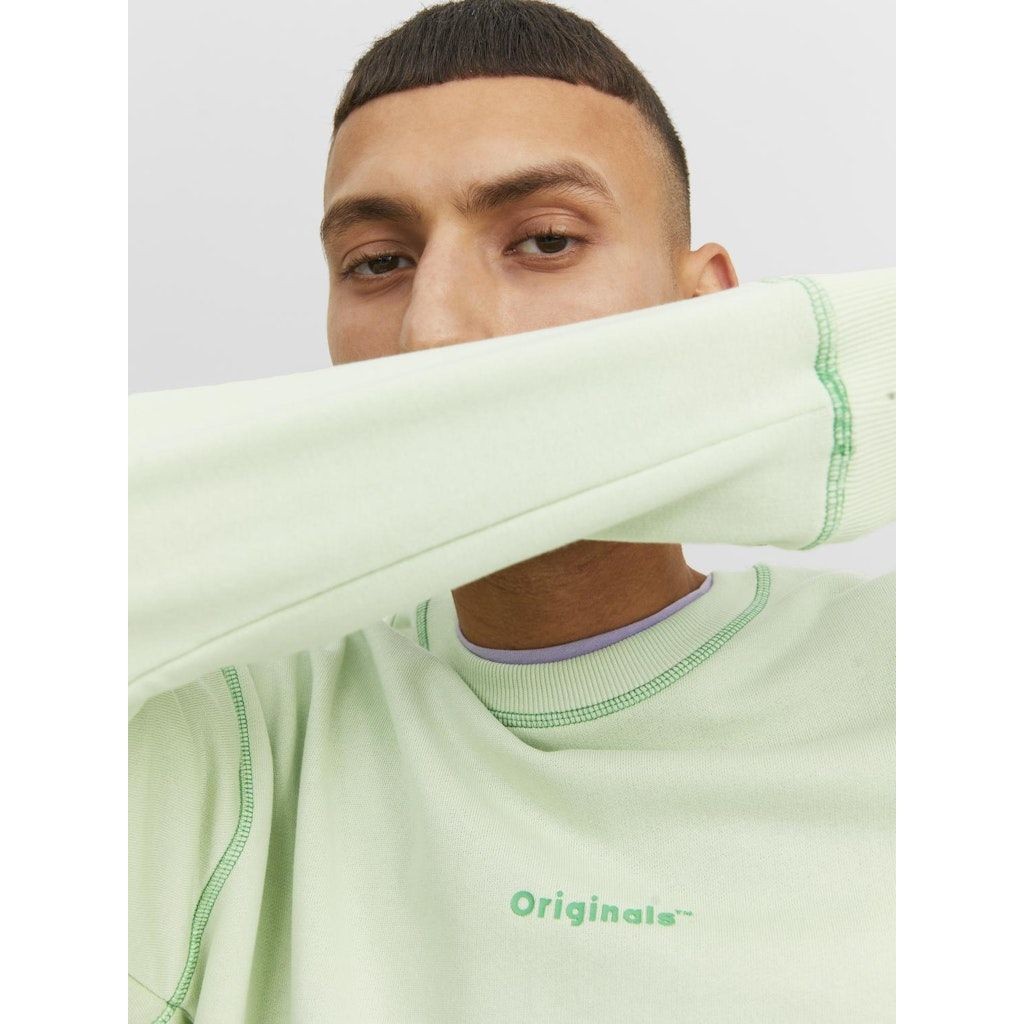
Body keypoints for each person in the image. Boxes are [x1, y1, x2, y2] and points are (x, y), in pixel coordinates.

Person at [128, 1, 895, 1021]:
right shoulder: (229, 729)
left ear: (708, 309)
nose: (434, 327)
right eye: (378, 262)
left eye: (544, 240)